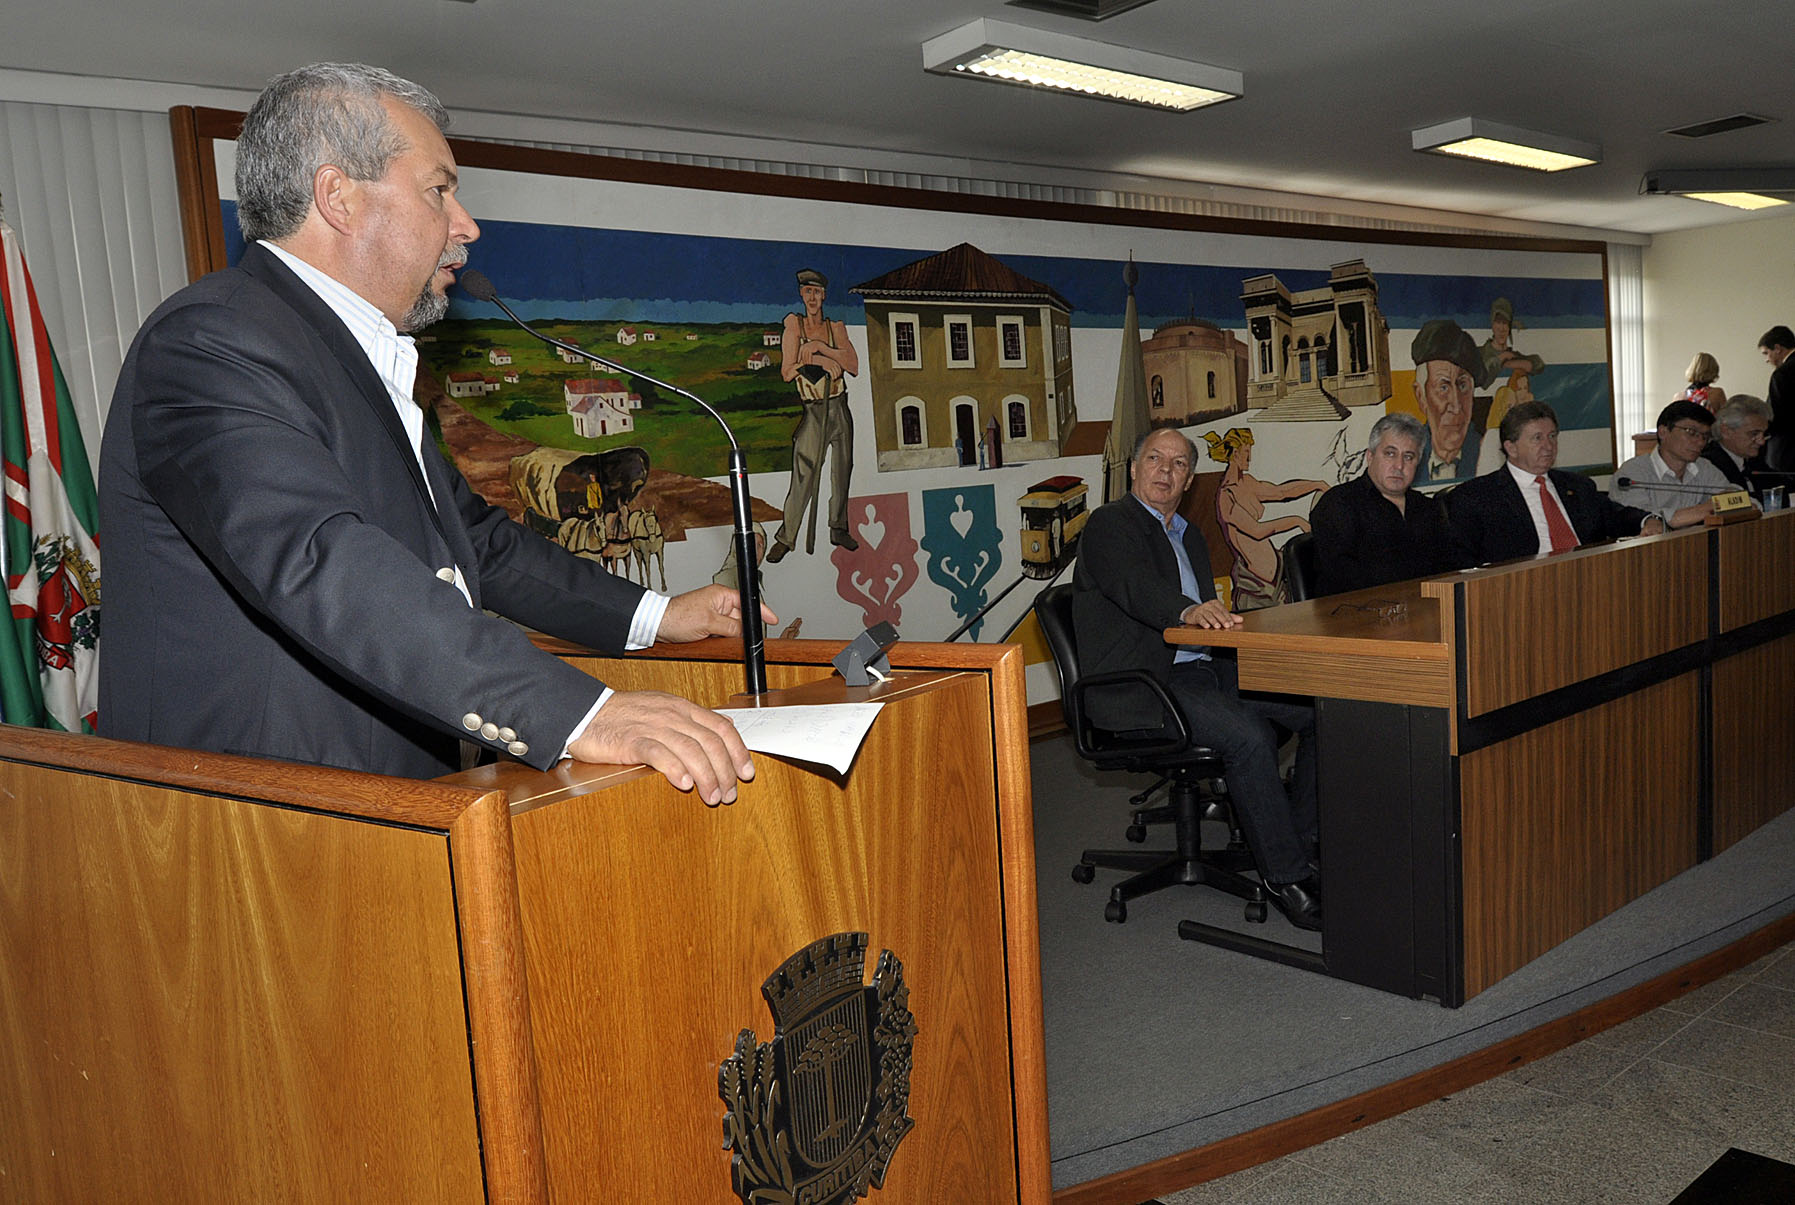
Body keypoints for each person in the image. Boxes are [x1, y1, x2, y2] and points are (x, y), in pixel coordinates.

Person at [100, 63, 774, 804]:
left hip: (385, 801)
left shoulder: (346, 352)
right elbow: (320, 559)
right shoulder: (213, 339)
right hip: (265, 822)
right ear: (338, 197)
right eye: (438, 190)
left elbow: (476, 542)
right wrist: (578, 713)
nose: (467, 225)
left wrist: (657, 615)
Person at [1071, 428, 1321, 930]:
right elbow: (1136, 586)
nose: (1166, 470)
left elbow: (1210, 619)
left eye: (1179, 464)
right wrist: (1187, 610)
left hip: (1202, 670)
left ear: (1189, 481)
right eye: (1155, 459)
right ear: (1134, 469)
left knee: (1319, 711)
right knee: (1249, 736)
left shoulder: (1189, 534)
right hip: (1144, 683)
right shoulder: (1109, 524)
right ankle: (1287, 877)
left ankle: (1303, 845)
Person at [1447, 401, 1662, 565]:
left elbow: (1614, 515)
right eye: (1537, 438)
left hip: (1587, 579)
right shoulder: (1476, 497)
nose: (1549, 446)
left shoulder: (1578, 486)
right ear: (1511, 448)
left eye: (1552, 436)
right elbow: (1464, 562)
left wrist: (1648, 520)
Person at [1309, 413, 1468, 596]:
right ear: (1370, 457)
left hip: (1424, 605)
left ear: (1418, 463)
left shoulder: (1428, 508)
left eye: (1408, 457)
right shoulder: (1338, 504)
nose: (1399, 465)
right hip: (1356, 609)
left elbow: (1450, 567)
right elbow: (1344, 579)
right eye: (1390, 454)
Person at [764, 268, 859, 562]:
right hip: (814, 408)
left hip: (838, 405)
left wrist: (820, 348)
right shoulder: (794, 327)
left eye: (817, 292)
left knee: (842, 468)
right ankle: (787, 537)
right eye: (808, 292)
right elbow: (787, 372)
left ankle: (838, 528)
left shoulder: (835, 328)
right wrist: (816, 362)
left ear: (824, 295)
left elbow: (853, 364)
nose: (813, 298)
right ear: (802, 295)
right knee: (804, 471)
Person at [1203, 427, 1327, 610]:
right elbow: (1256, 531)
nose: (1250, 457)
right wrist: (1296, 520)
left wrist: (1316, 485)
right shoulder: (1226, 496)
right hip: (1255, 589)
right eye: (1247, 452)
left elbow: (1281, 492)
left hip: (1277, 581)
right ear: (1235, 454)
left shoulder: (1248, 482)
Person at [1612, 400, 1731, 528]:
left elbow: (1735, 495)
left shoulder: (1703, 467)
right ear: (1663, 432)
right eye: (1691, 432)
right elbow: (1642, 520)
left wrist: (1717, 505)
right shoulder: (1632, 473)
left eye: (1705, 436)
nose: (1700, 442)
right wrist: (1707, 508)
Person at [1410, 318, 1495, 484]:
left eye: (1463, 386)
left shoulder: (1487, 454)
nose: (1456, 406)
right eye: (1443, 388)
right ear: (1421, 397)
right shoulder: (1407, 456)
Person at [1703, 395, 1772, 493]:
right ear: (1726, 431)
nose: (1762, 442)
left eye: (1764, 434)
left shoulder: (1753, 460)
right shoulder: (1709, 464)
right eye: (1754, 434)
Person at [1759, 325, 1795, 469]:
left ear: (1778, 348)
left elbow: (1775, 414)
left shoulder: (1782, 374)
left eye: (1766, 353)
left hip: (1787, 448)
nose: (1767, 360)